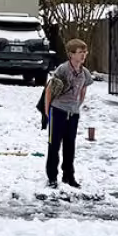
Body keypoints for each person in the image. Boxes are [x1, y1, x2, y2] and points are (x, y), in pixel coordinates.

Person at [43, 39, 93, 188]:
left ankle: (68, 176)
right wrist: (47, 110)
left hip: (73, 114)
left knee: (70, 145)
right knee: (54, 145)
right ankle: (52, 177)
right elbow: (49, 90)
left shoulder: (85, 73)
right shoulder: (62, 70)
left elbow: (83, 91)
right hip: (58, 111)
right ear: (71, 54)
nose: (83, 55)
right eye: (80, 52)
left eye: (85, 52)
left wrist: (76, 107)